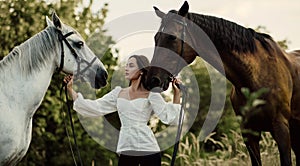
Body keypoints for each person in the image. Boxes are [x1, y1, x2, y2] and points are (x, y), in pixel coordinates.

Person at [64, 55, 182, 166]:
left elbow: (168, 116)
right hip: (126, 149)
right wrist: (70, 89)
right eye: (126, 65)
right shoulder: (118, 93)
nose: (126, 68)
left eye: (131, 66)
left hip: (149, 149)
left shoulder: (150, 95)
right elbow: (95, 107)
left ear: (141, 70)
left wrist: (177, 94)